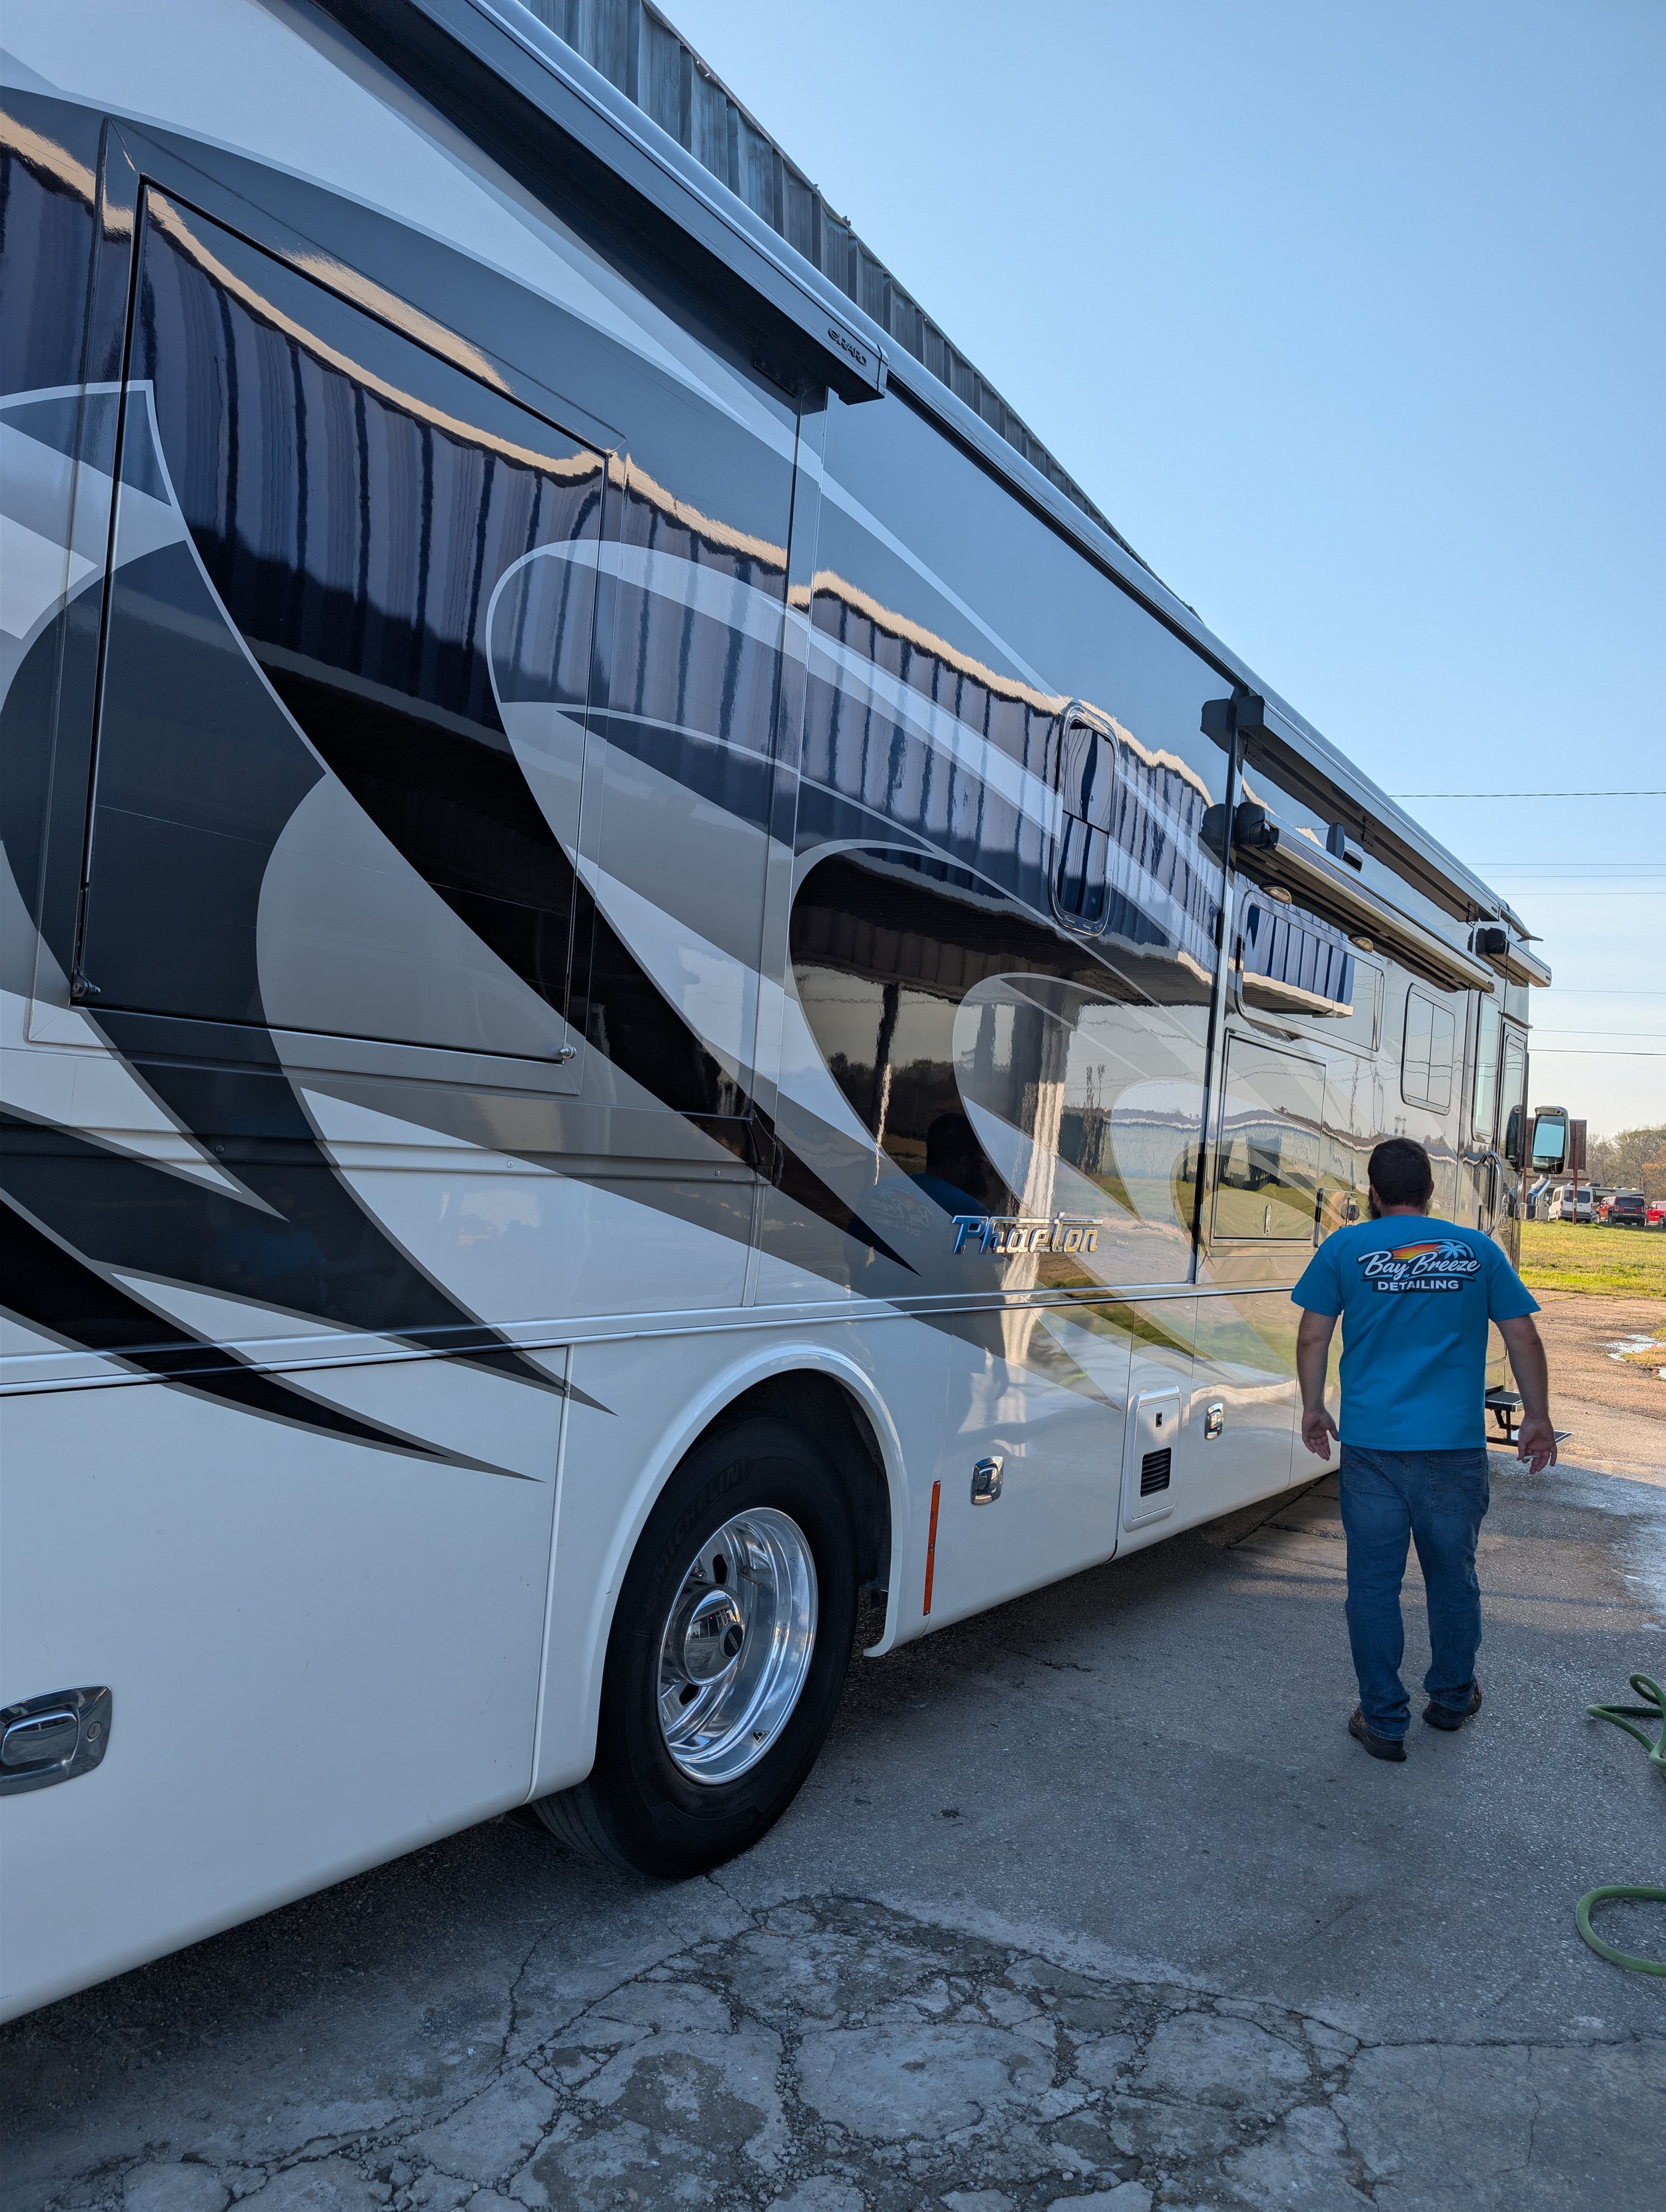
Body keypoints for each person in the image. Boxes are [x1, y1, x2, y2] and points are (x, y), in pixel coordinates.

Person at [1291, 1135, 1557, 1763]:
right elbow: (1523, 1336)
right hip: (1454, 1450)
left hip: (1374, 1450)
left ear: (1374, 1192)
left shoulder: (1344, 1247)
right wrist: (1537, 1417)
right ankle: (1451, 1698)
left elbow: (1312, 1335)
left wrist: (1312, 1405)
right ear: (1432, 1190)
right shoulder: (1476, 1249)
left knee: (1374, 1587)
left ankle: (1383, 1720)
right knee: (1452, 1578)